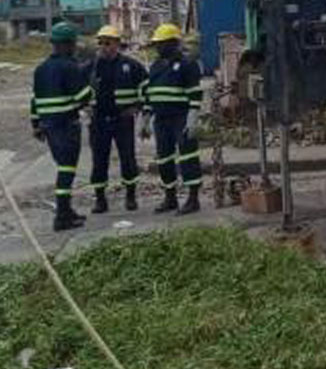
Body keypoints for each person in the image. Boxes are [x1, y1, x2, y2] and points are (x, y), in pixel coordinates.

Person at [31, 22, 93, 231]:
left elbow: (35, 100)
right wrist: (91, 86)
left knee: (63, 166)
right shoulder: (69, 66)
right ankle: (62, 216)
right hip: (65, 125)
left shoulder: (40, 69)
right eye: (73, 44)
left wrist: (36, 125)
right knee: (67, 170)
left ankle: (66, 211)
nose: (75, 48)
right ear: (68, 44)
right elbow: (83, 97)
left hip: (48, 126)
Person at [83, 25, 147, 213]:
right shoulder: (90, 67)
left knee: (127, 158)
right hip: (99, 121)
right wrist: (84, 107)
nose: (104, 46)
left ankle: (130, 196)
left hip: (123, 119)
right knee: (99, 160)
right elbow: (77, 89)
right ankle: (100, 199)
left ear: (117, 44)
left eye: (108, 43)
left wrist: (138, 107)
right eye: (101, 43)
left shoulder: (131, 65)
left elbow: (146, 87)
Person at [141, 23, 202, 215]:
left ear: (174, 43)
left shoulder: (187, 65)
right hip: (161, 119)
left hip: (181, 117)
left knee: (187, 157)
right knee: (164, 159)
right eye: (157, 44)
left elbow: (194, 95)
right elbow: (150, 94)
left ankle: (193, 199)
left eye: (162, 43)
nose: (158, 47)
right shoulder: (156, 66)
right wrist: (145, 119)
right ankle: (170, 197)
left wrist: (192, 119)